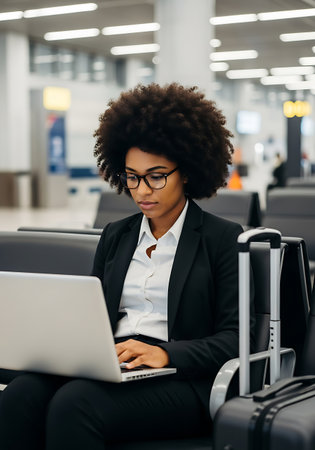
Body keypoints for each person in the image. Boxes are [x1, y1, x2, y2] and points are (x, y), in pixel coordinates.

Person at [0, 83, 255, 449]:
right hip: (115, 364)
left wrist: (165, 352)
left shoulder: (221, 239)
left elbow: (235, 339)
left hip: (183, 379)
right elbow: (93, 317)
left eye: (156, 176)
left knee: (74, 406)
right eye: (132, 177)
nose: (141, 190)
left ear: (186, 171)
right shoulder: (116, 235)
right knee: (21, 394)